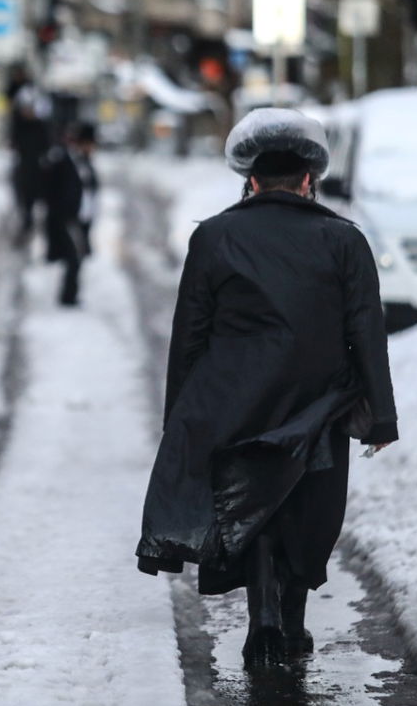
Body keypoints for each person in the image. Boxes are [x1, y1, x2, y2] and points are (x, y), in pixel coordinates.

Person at [135, 108, 398, 669]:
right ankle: (292, 620)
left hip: (232, 402)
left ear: (251, 181)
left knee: (251, 508)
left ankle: (263, 622)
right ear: (308, 181)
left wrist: (181, 417)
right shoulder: (344, 241)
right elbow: (367, 334)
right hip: (318, 405)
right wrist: (380, 418)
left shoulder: (213, 237)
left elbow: (190, 337)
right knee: (305, 509)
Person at [44, 122, 99, 307]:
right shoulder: (63, 161)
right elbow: (51, 192)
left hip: (81, 219)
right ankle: (68, 297)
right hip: (68, 219)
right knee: (74, 257)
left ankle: (70, 295)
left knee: (78, 257)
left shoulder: (85, 162)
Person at [8, 83, 52, 244]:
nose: (28, 112)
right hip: (24, 170)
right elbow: (13, 144)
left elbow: (48, 146)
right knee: (25, 203)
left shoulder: (42, 126)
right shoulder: (18, 125)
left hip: (40, 170)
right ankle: (27, 227)